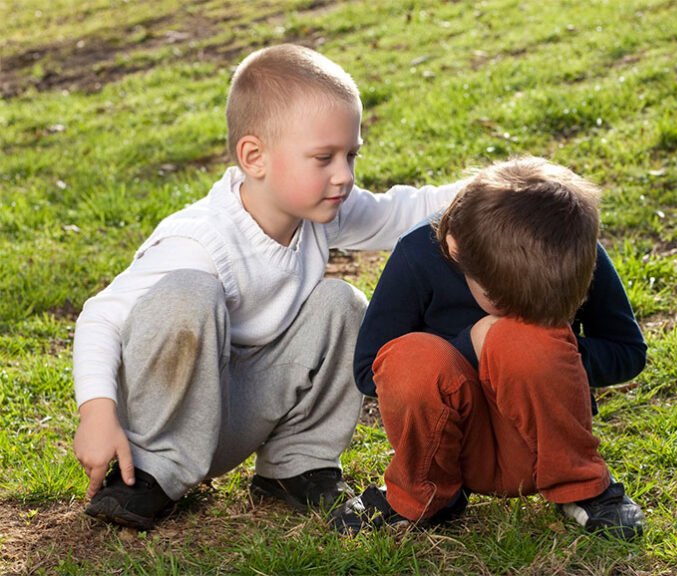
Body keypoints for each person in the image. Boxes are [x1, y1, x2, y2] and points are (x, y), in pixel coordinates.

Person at [72, 43, 465, 531]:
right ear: (254, 157)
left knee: (341, 302)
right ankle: (151, 475)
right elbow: (100, 317)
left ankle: (295, 464)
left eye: (351, 155)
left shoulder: (319, 210)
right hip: (164, 422)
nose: (343, 175)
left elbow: (399, 214)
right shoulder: (199, 239)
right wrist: (96, 413)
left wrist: (497, 186)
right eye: (324, 157)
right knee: (187, 294)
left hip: (236, 413)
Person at [332, 156, 648, 540]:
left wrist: (551, 348)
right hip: (447, 446)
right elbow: (369, 368)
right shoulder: (417, 255)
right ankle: (424, 495)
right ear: (456, 249)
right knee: (412, 356)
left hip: (538, 446)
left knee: (520, 340)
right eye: (505, 304)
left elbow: (627, 351)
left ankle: (581, 488)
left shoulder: (571, 251)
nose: (517, 315)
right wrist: (472, 344)